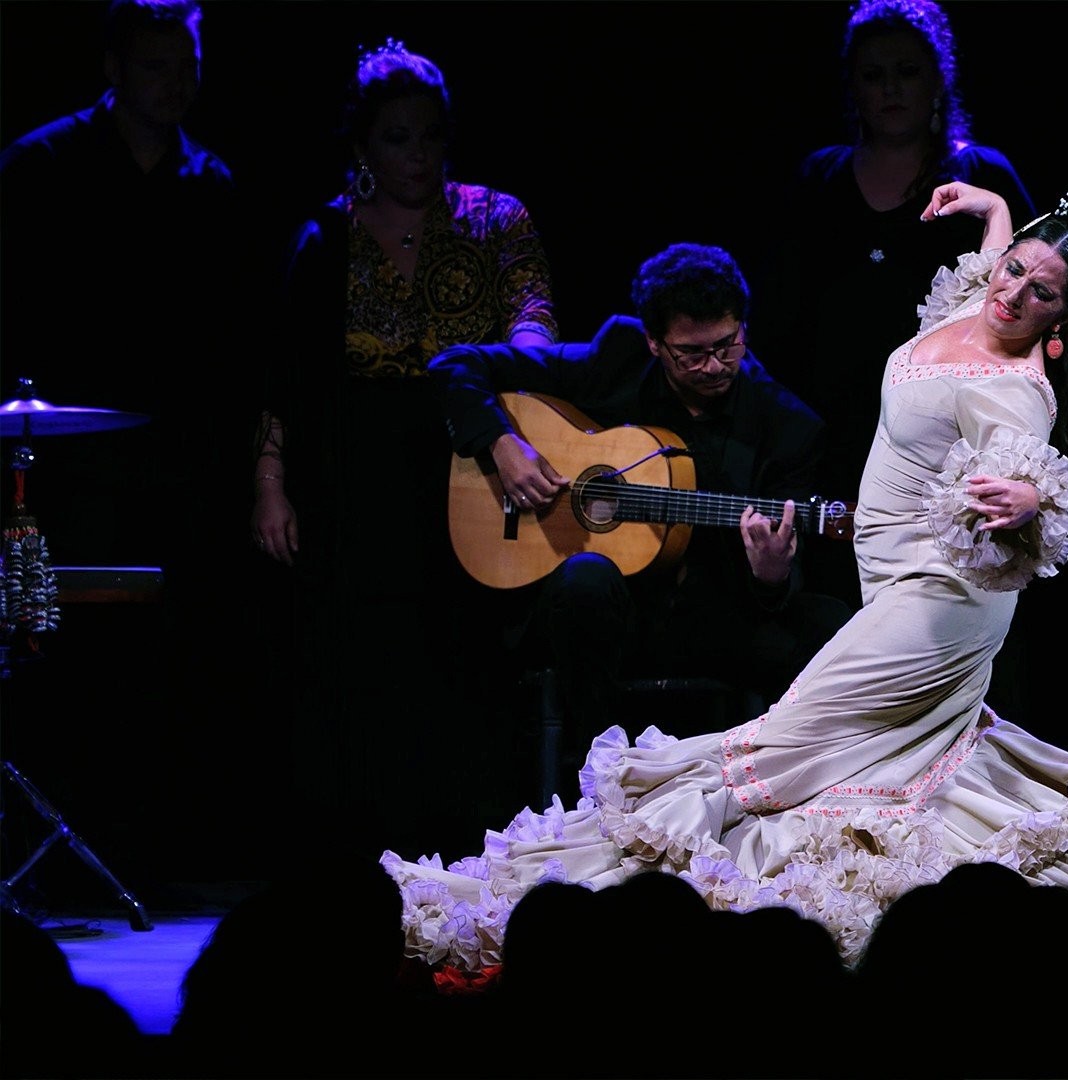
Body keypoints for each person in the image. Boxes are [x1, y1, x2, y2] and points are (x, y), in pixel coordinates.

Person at [382, 183, 1068, 978]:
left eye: (1041, 292)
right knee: (874, 769)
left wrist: (1030, 498)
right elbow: (988, 272)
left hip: (942, 604)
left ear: (1063, 319)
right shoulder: (975, 305)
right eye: (1014, 269)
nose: (1012, 292)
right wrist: (994, 208)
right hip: (893, 584)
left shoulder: (1014, 389)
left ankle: (676, 905)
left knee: (780, 750)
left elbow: (1035, 473)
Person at [249, 38, 559, 857]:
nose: (416, 154)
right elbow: (290, 373)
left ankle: (460, 843)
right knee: (362, 659)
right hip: (354, 469)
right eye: (395, 138)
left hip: (470, 456)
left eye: (429, 135)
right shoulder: (325, 237)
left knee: (460, 655)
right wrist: (271, 478)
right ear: (361, 147)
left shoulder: (498, 218)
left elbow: (536, 318)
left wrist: (510, 392)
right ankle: (360, 848)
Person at [425, 241, 856, 801]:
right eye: (690, 353)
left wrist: (771, 575)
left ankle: (769, 799)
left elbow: (778, 582)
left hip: (711, 618)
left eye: (727, 345)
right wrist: (503, 445)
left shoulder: (787, 426)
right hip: (608, 622)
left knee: (831, 622)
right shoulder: (615, 358)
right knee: (585, 579)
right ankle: (599, 786)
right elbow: (454, 366)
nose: (714, 366)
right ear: (654, 343)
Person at [0, 0, 267, 882]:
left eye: (186, 63)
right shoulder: (41, 167)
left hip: (179, 462)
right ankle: (54, 855)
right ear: (114, 69)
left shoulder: (213, 183)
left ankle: (158, 852)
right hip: (69, 463)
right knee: (62, 655)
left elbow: (232, 340)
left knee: (173, 660)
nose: (176, 82)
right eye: (157, 64)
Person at [752, 0, 1039, 618]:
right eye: (873, 74)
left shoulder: (982, 177)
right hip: (832, 439)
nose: (890, 89)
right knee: (840, 609)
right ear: (852, 84)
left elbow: (1030, 301)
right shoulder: (820, 178)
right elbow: (779, 320)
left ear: (937, 79)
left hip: (945, 437)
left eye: (906, 72)